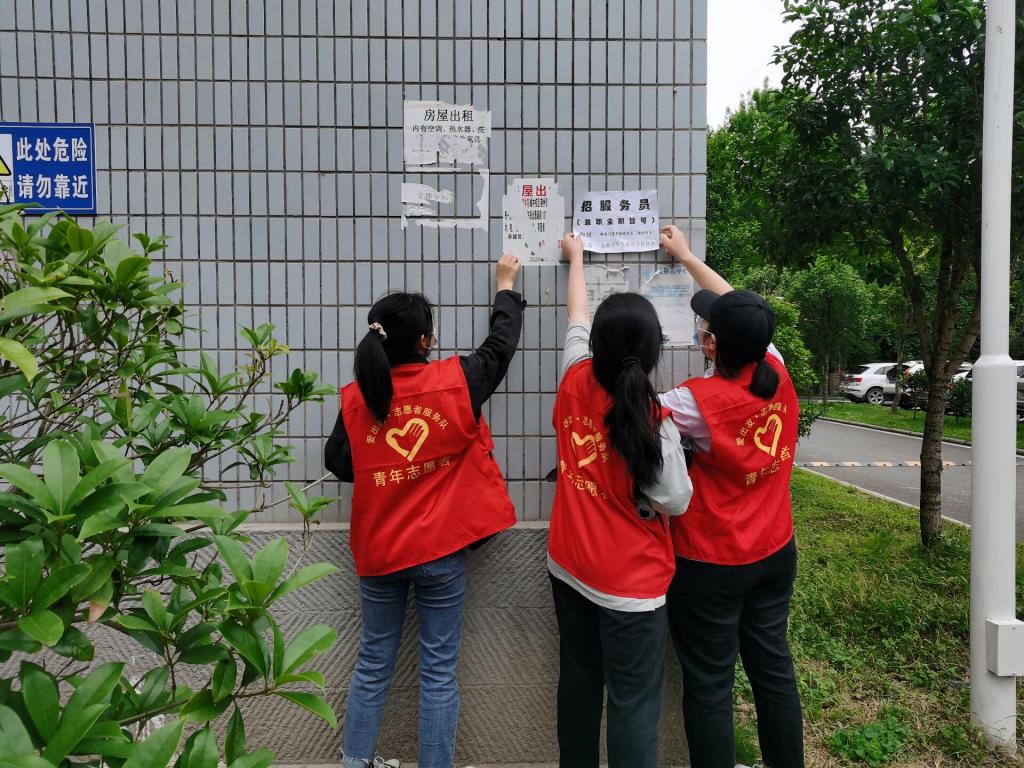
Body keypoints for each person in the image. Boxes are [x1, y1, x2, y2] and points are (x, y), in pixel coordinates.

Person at [325, 253, 524, 768]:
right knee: (438, 672)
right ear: (425, 342)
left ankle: (354, 763)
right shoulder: (456, 382)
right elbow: (499, 349)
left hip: (380, 554)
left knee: (373, 664)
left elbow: (338, 462)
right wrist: (506, 288)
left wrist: (389, 465)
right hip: (441, 552)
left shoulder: (357, 399)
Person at [658, 224, 804, 768]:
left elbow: (632, 416)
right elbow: (740, 305)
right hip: (775, 551)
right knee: (773, 671)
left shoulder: (695, 402)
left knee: (710, 685)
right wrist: (687, 257)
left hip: (710, 561)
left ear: (712, 344)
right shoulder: (777, 371)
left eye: (707, 327)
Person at [548, 232, 693, 768]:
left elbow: (576, 318)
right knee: (632, 704)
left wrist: (576, 258)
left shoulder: (573, 378)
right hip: (631, 588)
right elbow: (676, 500)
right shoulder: (655, 423)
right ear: (654, 353)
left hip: (568, 566)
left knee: (579, 683)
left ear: (598, 349)